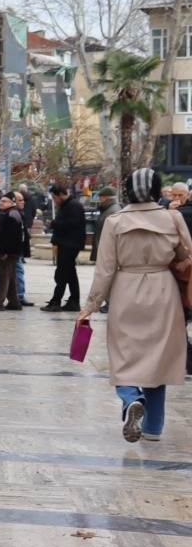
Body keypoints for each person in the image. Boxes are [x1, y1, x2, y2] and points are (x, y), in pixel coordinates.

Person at [80, 168, 192, 443]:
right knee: (159, 358)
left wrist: (91, 306)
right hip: (164, 290)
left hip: (126, 289)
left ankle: (131, 398)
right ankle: (153, 428)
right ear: (156, 190)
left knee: (124, 352)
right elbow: (186, 254)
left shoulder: (116, 221)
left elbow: (105, 269)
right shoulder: (172, 217)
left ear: (128, 190)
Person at [43, 183, 86, 312]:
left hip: (70, 244)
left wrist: (53, 223)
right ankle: (74, 301)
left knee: (61, 274)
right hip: (67, 243)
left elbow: (70, 224)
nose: (55, 201)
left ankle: (56, 301)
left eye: (55, 198)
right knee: (70, 274)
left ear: (61, 195)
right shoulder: (67, 205)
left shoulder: (73, 206)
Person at [91, 185, 121, 263]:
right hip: (105, 251)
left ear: (106, 198)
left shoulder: (113, 211)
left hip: (107, 252)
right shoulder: (107, 209)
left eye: (100, 197)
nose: (99, 200)